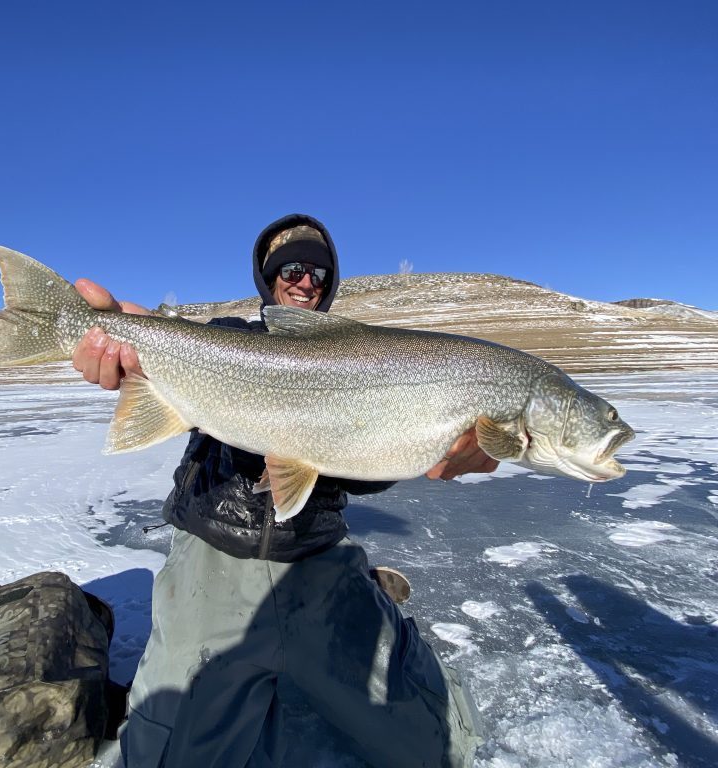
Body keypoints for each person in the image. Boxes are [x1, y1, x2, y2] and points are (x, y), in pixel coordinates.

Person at [72, 214, 498, 767]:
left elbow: (363, 467)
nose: (306, 282)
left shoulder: (359, 360)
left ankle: (364, 597)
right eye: (292, 269)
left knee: (436, 744)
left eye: (319, 273)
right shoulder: (228, 343)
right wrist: (125, 335)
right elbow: (161, 341)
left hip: (317, 556)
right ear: (269, 278)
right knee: (166, 755)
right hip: (213, 554)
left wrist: (433, 450)